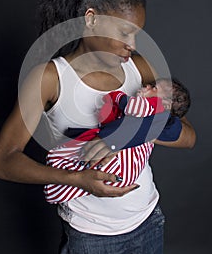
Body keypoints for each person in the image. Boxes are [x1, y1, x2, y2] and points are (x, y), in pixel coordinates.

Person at [0, 0, 196, 254]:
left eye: (137, 34)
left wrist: (135, 130)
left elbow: (188, 137)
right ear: (91, 19)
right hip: (92, 238)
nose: (133, 44)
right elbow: (3, 161)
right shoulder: (50, 79)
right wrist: (78, 180)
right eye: (125, 32)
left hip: (149, 220)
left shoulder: (140, 67)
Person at [44, 77, 191, 204]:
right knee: (87, 165)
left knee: (82, 157)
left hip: (142, 204)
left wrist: (119, 98)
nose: (146, 86)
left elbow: (187, 137)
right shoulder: (53, 79)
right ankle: (62, 182)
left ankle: (59, 183)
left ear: (166, 104)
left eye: (153, 87)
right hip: (89, 223)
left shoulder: (152, 107)